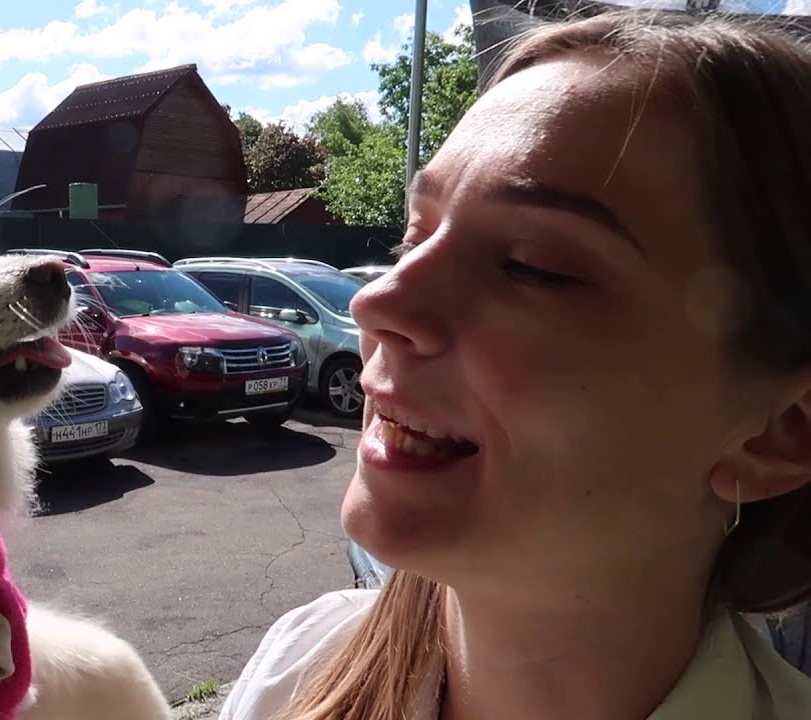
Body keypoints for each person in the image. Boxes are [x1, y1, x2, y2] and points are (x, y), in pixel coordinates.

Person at [219, 9, 811, 720]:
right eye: (414, 237)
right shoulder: (294, 668)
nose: (376, 301)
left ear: (776, 433)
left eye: (534, 267)